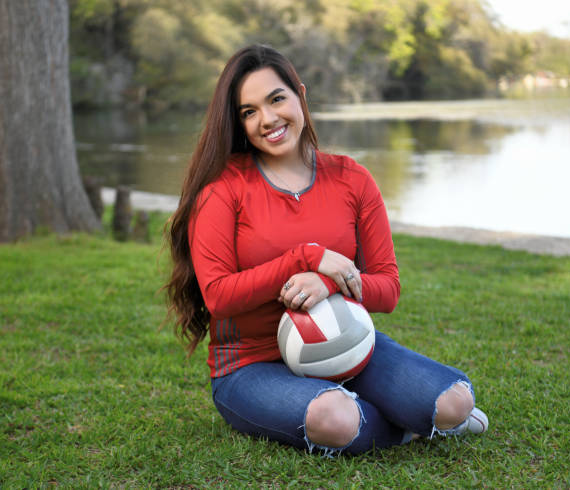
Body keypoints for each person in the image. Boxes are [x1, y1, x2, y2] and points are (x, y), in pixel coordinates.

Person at [165, 44, 488, 456]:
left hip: (344, 346)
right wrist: (303, 258)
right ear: (238, 122)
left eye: (276, 99)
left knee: (456, 403)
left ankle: (420, 414)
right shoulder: (223, 188)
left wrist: (326, 283)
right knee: (335, 419)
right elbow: (218, 296)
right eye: (249, 112)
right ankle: (403, 426)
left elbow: (387, 289)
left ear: (300, 94)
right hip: (250, 366)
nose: (267, 119)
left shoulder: (353, 179)